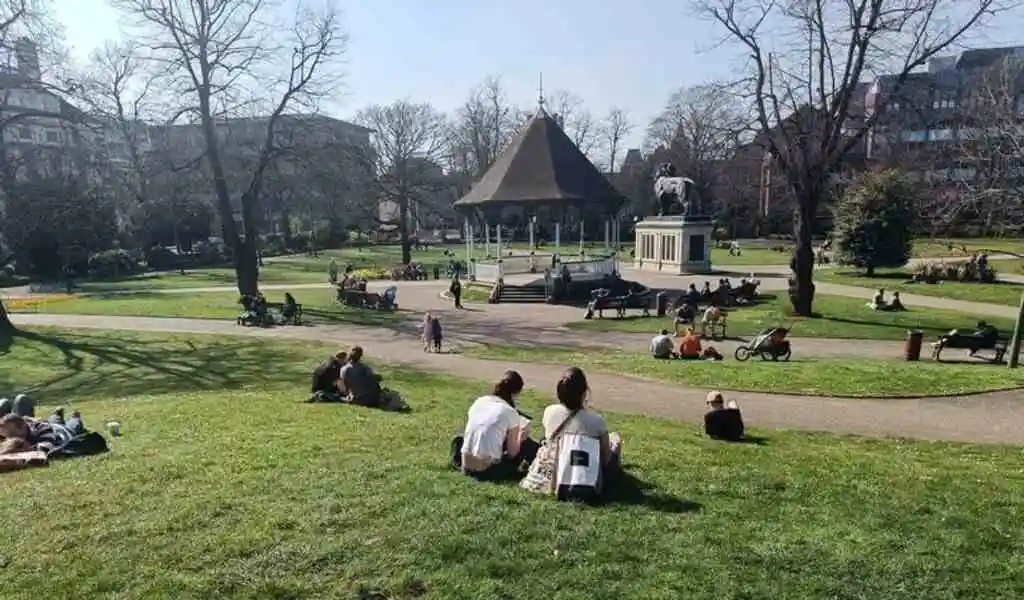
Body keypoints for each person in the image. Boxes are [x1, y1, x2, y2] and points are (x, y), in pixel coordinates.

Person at [520, 367, 622, 497]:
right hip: (583, 473)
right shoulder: (596, 421)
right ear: (584, 393)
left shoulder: (550, 411)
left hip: (554, 469)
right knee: (615, 440)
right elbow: (605, 459)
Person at [454, 371, 539, 480]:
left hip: (466, 466)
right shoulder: (509, 411)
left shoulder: (480, 401)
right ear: (515, 393)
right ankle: (537, 470)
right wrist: (521, 437)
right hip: (486, 471)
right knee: (527, 444)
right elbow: (512, 453)